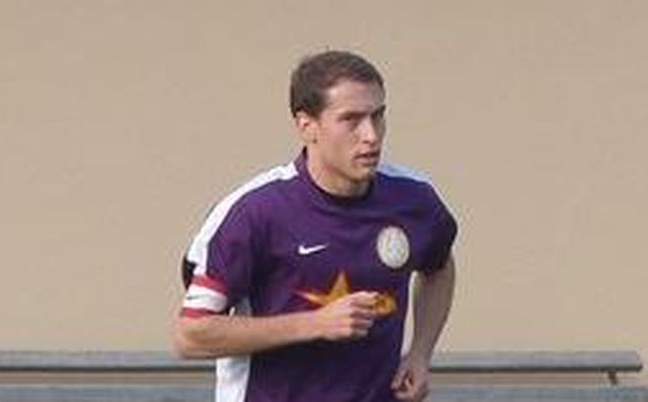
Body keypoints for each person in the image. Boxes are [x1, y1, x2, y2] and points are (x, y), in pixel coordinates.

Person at [172, 50, 458, 402]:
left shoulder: (413, 199)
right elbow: (191, 335)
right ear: (306, 126)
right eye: (351, 120)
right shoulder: (253, 213)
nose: (371, 135)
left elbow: (439, 266)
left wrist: (420, 353)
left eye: (378, 116)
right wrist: (315, 323)